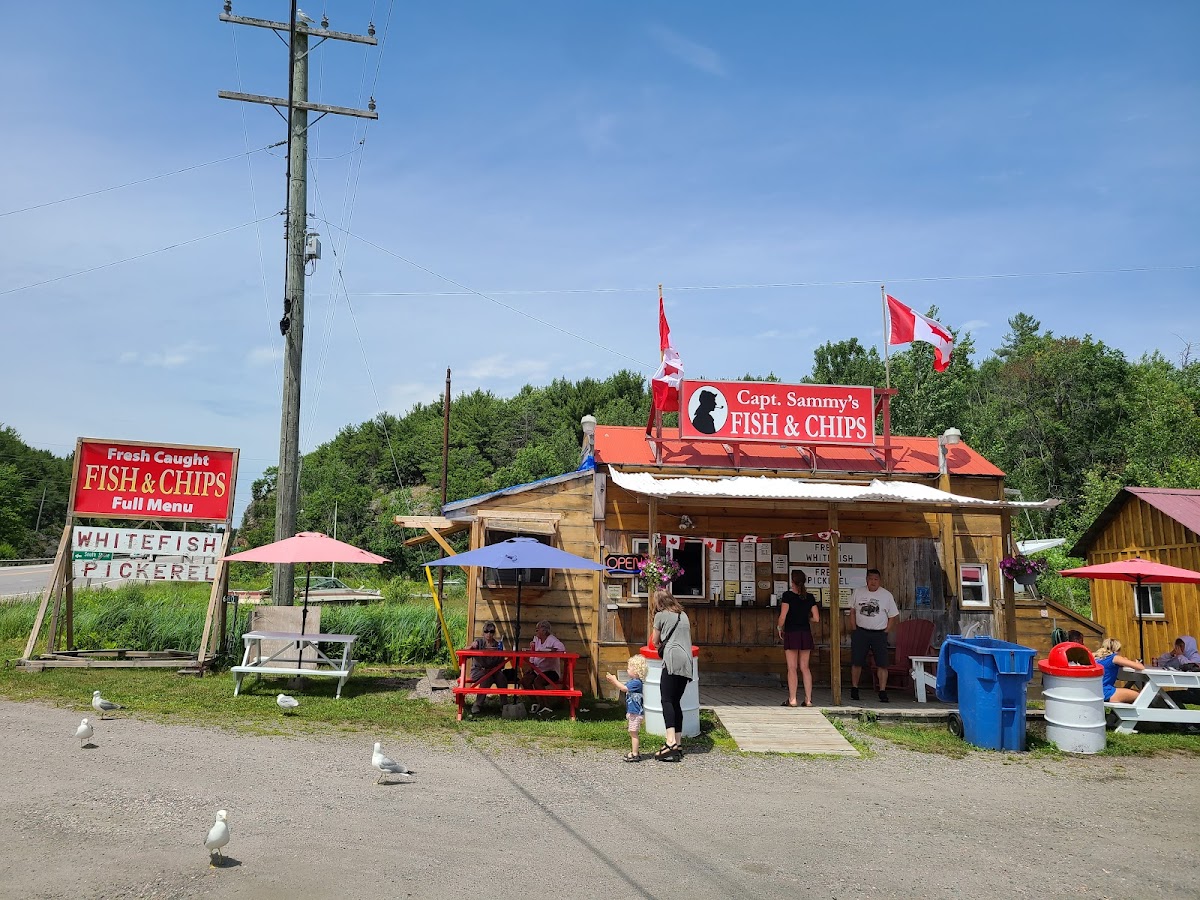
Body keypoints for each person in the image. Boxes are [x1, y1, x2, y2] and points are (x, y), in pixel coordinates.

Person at [651, 589, 693, 762]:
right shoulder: (683, 615)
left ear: (658, 602)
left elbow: (654, 641)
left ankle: (670, 742)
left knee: (666, 700)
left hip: (672, 658)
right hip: (687, 661)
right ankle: (678, 743)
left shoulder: (660, 615)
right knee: (676, 702)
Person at [849, 568, 899, 702]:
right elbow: (852, 611)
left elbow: (892, 616)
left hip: (879, 633)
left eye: (876, 579)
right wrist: (854, 629)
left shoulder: (886, 595)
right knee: (857, 661)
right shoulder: (858, 592)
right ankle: (854, 688)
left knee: (882, 663)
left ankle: (882, 691)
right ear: (866, 580)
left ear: (880, 581)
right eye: (870, 579)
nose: (873, 582)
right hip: (861, 631)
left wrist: (886, 631)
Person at [777, 569, 820, 707]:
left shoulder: (788, 596)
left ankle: (793, 699)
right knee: (805, 667)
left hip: (792, 632)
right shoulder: (809, 597)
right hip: (805, 633)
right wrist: (806, 617)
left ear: (792, 582)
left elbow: (783, 616)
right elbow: (817, 618)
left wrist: (779, 628)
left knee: (792, 667)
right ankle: (808, 700)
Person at [606, 655, 649, 762]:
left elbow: (623, 688)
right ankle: (634, 751)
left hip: (635, 713)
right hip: (633, 712)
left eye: (629, 668)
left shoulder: (636, 683)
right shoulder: (633, 681)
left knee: (633, 733)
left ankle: (635, 753)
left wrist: (614, 680)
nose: (627, 669)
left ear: (636, 671)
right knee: (632, 732)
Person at [465, 621, 509, 715]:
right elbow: (466, 654)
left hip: (494, 671)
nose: (488, 634)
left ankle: (504, 705)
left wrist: (497, 666)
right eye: (486, 631)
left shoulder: (498, 645)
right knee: (487, 677)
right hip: (478, 670)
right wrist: (471, 647)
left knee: (501, 677)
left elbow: (502, 663)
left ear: (494, 633)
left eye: (491, 631)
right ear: (483, 633)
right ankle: (477, 704)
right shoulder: (478, 643)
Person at [1095, 638, 1144, 704]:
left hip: (1095, 691)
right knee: (1143, 695)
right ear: (1118, 649)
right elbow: (1140, 667)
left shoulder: (1097, 657)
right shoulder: (1114, 658)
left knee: (1133, 693)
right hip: (1106, 692)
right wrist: (1137, 662)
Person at [521, 620, 566, 689]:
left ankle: (543, 700)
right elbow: (533, 654)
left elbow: (561, 648)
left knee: (538, 682)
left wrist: (552, 650)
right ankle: (533, 699)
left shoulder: (551, 639)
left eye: (537, 630)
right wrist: (531, 667)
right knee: (525, 681)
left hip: (551, 671)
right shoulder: (536, 640)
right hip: (537, 669)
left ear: (544, 631)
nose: (536, 632)